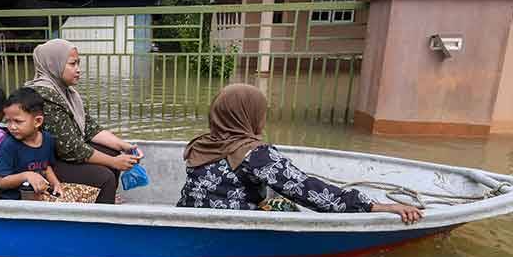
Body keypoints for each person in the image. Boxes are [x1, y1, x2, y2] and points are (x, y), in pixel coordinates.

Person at [177, 84, 424, 224]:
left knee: (271, 192)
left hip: (190, 215)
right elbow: (309, 192)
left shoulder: (200, 144)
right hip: (233, 223)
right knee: (286, 205)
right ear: (250, 115)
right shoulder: (256, 154)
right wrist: (374, 206)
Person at [27, 38, 139, 205]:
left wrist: (125, 146)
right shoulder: (45, 95)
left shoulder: (67, 93)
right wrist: (114, 163)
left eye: (78, 63)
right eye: (72, 64)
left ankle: (105, 198)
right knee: (105, 177)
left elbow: (90, 128)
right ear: (53, 64)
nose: (78, 70)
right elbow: (71, 149)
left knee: (113, 152)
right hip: (42, 163)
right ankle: (101, 215)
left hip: (61, 155)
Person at [0, 88, 63, 200]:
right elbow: (2, 182)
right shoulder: (9, 145)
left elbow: (46, 167)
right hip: (14, 201)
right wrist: (26, 175)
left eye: (18, 121)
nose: (12, 127)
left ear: (37, 121)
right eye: (8, 121)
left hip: (40, 195)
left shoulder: (48, 139)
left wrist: (55, 183)